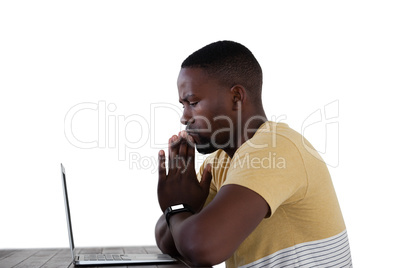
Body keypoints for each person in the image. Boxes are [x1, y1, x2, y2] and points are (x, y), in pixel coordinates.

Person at [155, 40, 352, 267]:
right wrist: (183, 208)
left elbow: (201, 247)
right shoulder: (219, 162)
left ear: (236, 97)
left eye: (193, 102)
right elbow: (167, 240)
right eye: (183, 105)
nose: (184, 117)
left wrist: (177, 207)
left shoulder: (275, 149)